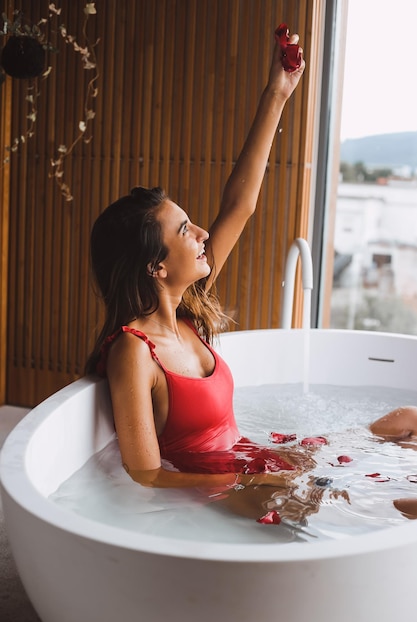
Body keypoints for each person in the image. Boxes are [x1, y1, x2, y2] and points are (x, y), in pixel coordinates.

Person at [86, 27, 417, 524]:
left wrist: (278, 93)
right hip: (230, 487)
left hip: (258, 464)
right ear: (155, 265)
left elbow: (239, 205)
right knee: (372, 507)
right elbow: (147, 474)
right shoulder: (134, 351)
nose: (201, 233)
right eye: (184, 230)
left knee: (408, 420)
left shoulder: (188, 314)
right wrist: (253, 481)